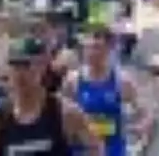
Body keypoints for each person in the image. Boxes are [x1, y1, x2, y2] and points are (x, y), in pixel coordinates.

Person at [0, 35, 103, 155]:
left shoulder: (65, 113)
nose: (20, 74)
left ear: (42, 67)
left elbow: (95, 147)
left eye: (26, 65)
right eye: (15, 66)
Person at [62, 23, 150, 156]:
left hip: (113, 151)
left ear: (109, 49)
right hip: (83, 151)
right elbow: (60, 114)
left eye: (97, 48)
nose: (91, 53)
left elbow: (144, 111)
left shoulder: (121, 80)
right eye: (87, 48)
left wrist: (142, 126)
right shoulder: (73, 80)